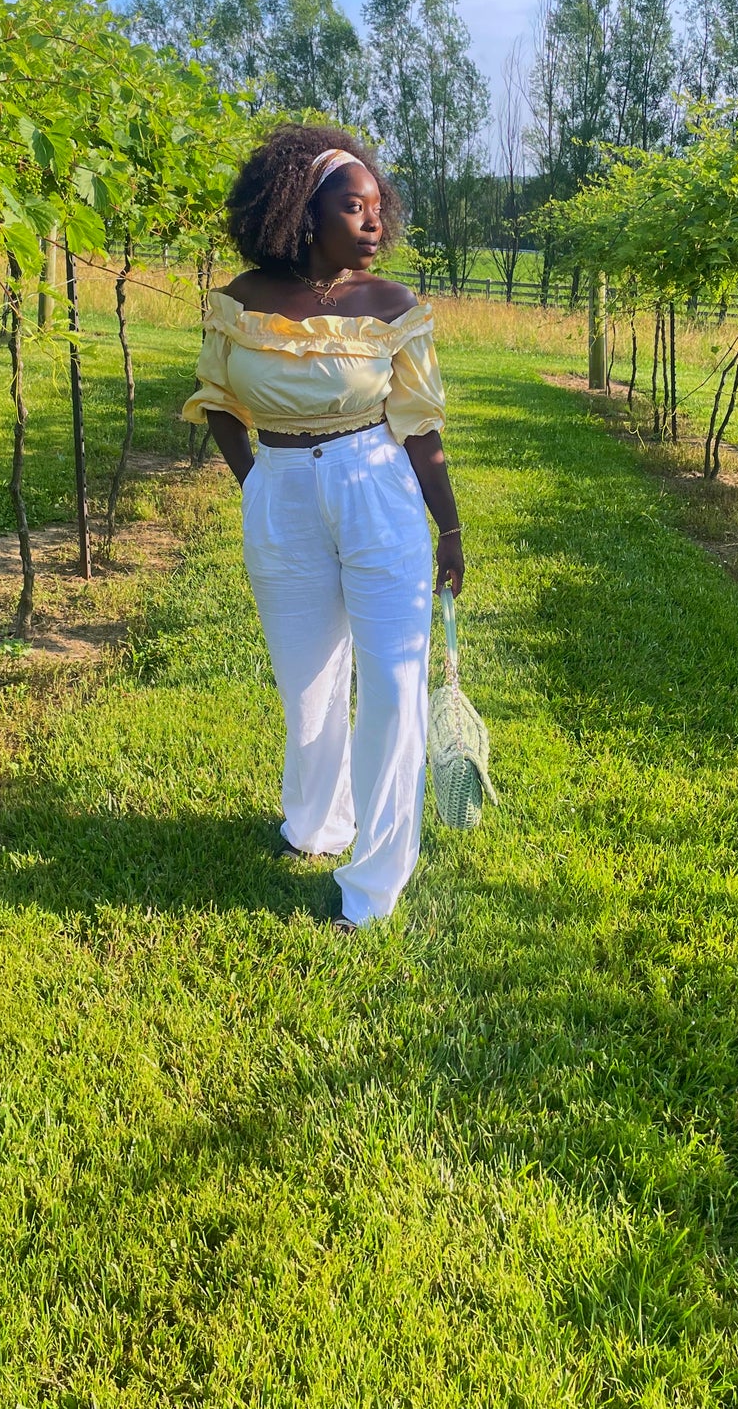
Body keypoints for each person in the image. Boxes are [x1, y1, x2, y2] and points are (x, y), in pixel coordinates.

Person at [182, 123, 465, 932]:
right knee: (306, 685)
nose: (376, 223)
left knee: (390, 689)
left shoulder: (392, 307)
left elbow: (418, 425)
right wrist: (262, 483)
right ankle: (315, 824)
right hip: (281, 492)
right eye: (355, 207)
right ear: (304, 215)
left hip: (373, 487)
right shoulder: (240, 302)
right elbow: (216, 403)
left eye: (380, 207)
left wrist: (447, 530)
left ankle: (373, 887)